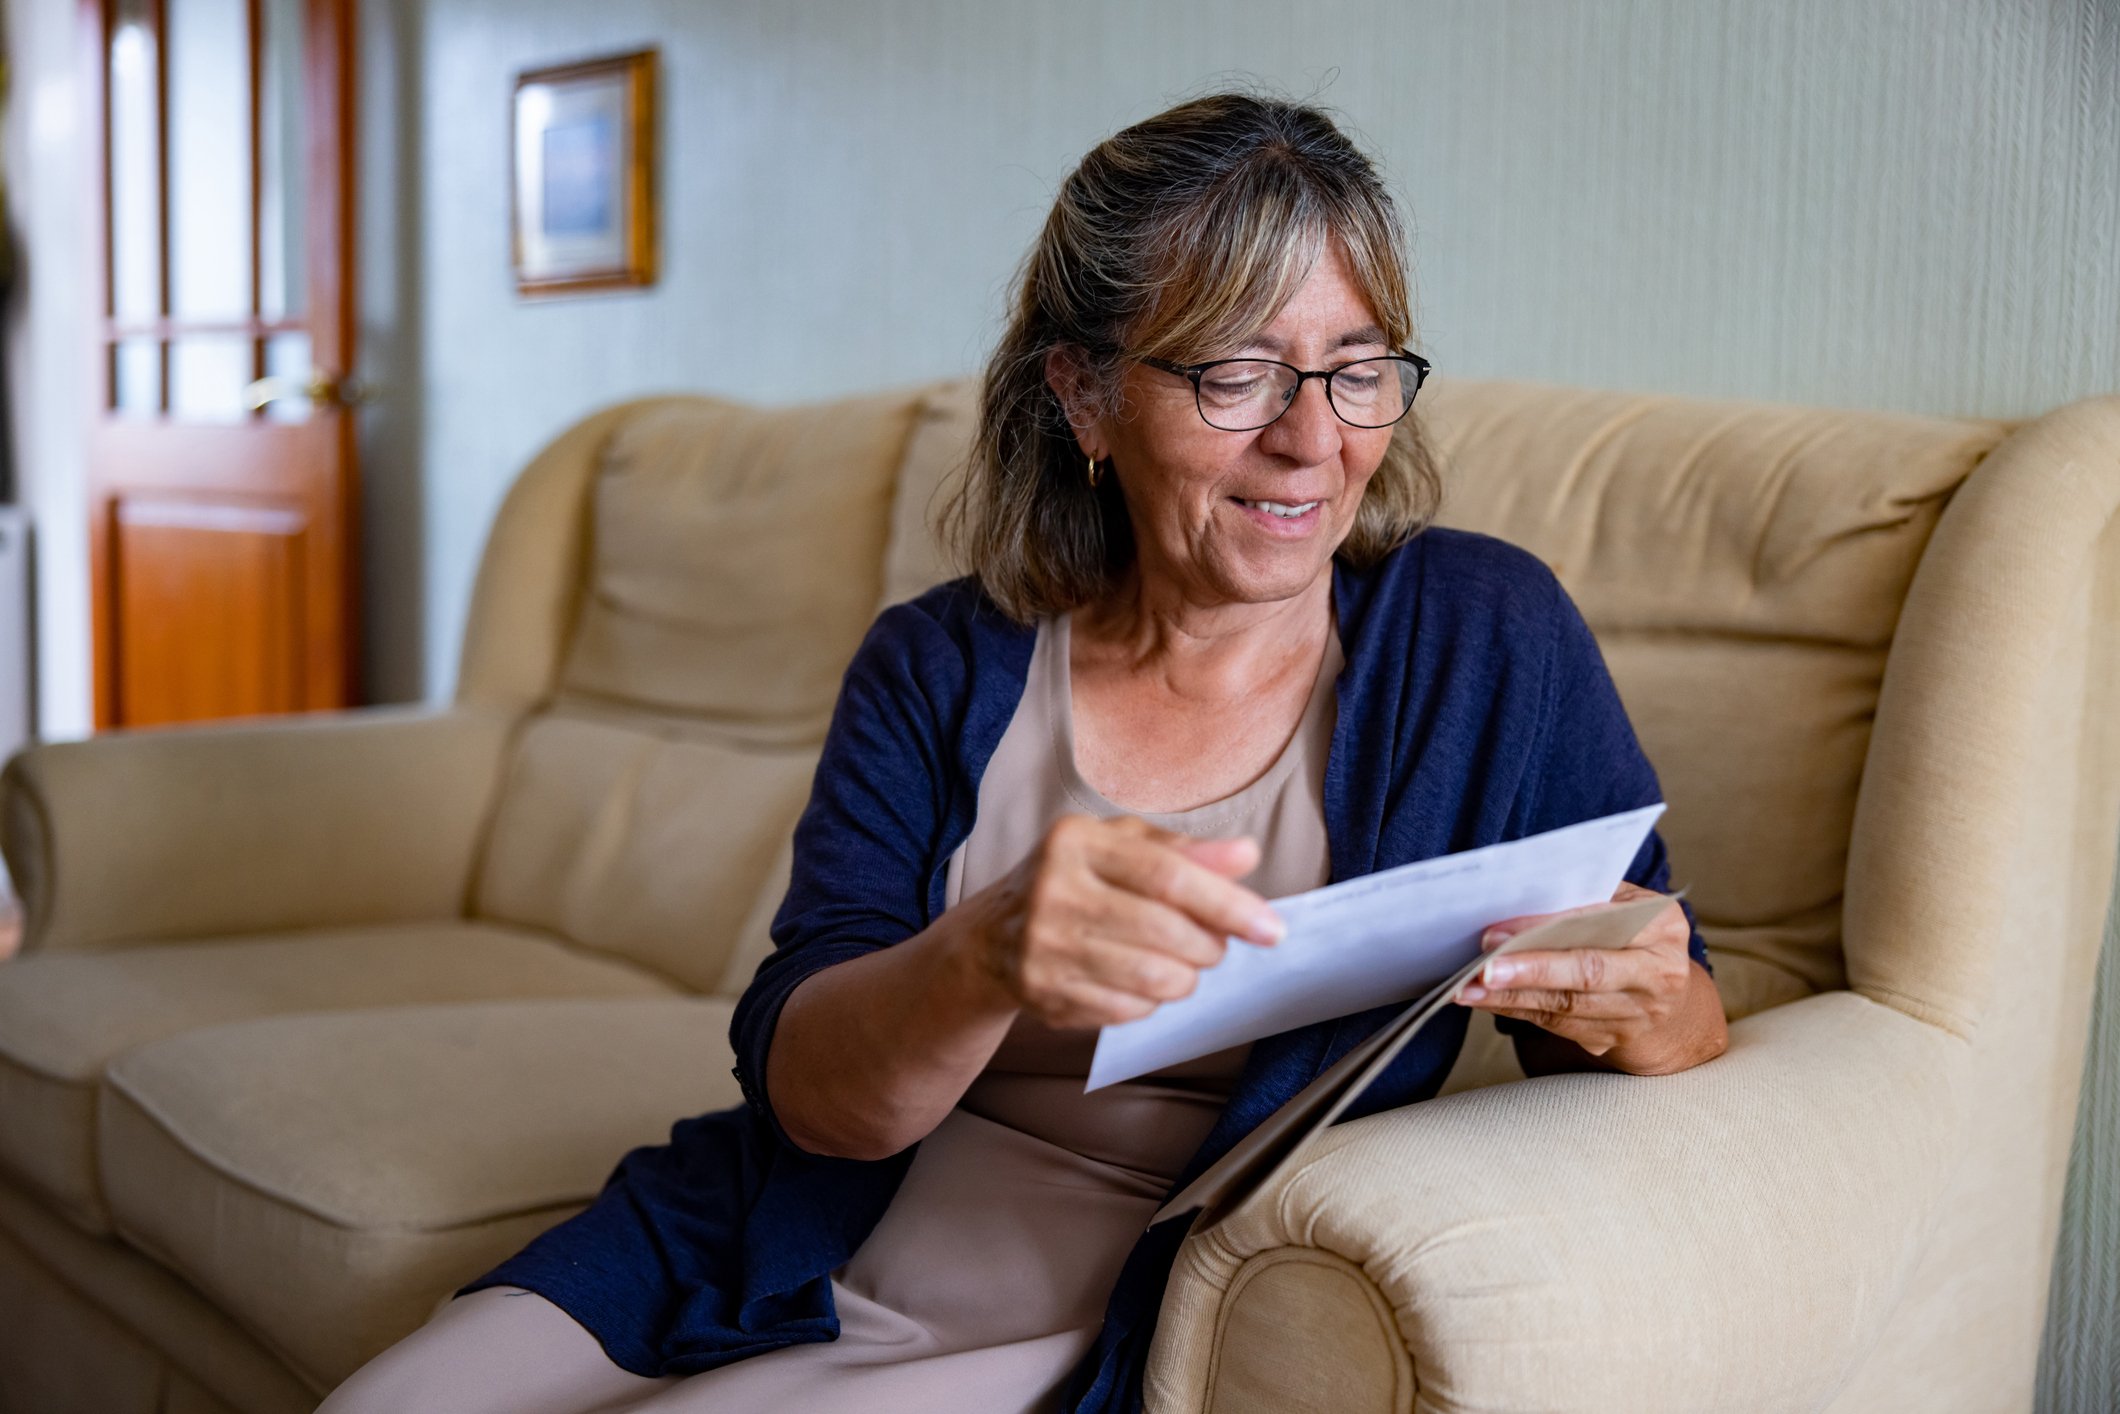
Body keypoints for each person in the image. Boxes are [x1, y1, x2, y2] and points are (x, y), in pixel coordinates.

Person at [320, 91, 1727, 1414]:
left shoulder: (1482, 634)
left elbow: (1668, 1000)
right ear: (1086, 396)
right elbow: (810, 1095)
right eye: (1238, 371)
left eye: (1359, 371)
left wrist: (1647, 1009)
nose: (1311, 439)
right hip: (795, 1225)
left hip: (1113, 1299)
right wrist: (988, 952)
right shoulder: (940, 662)